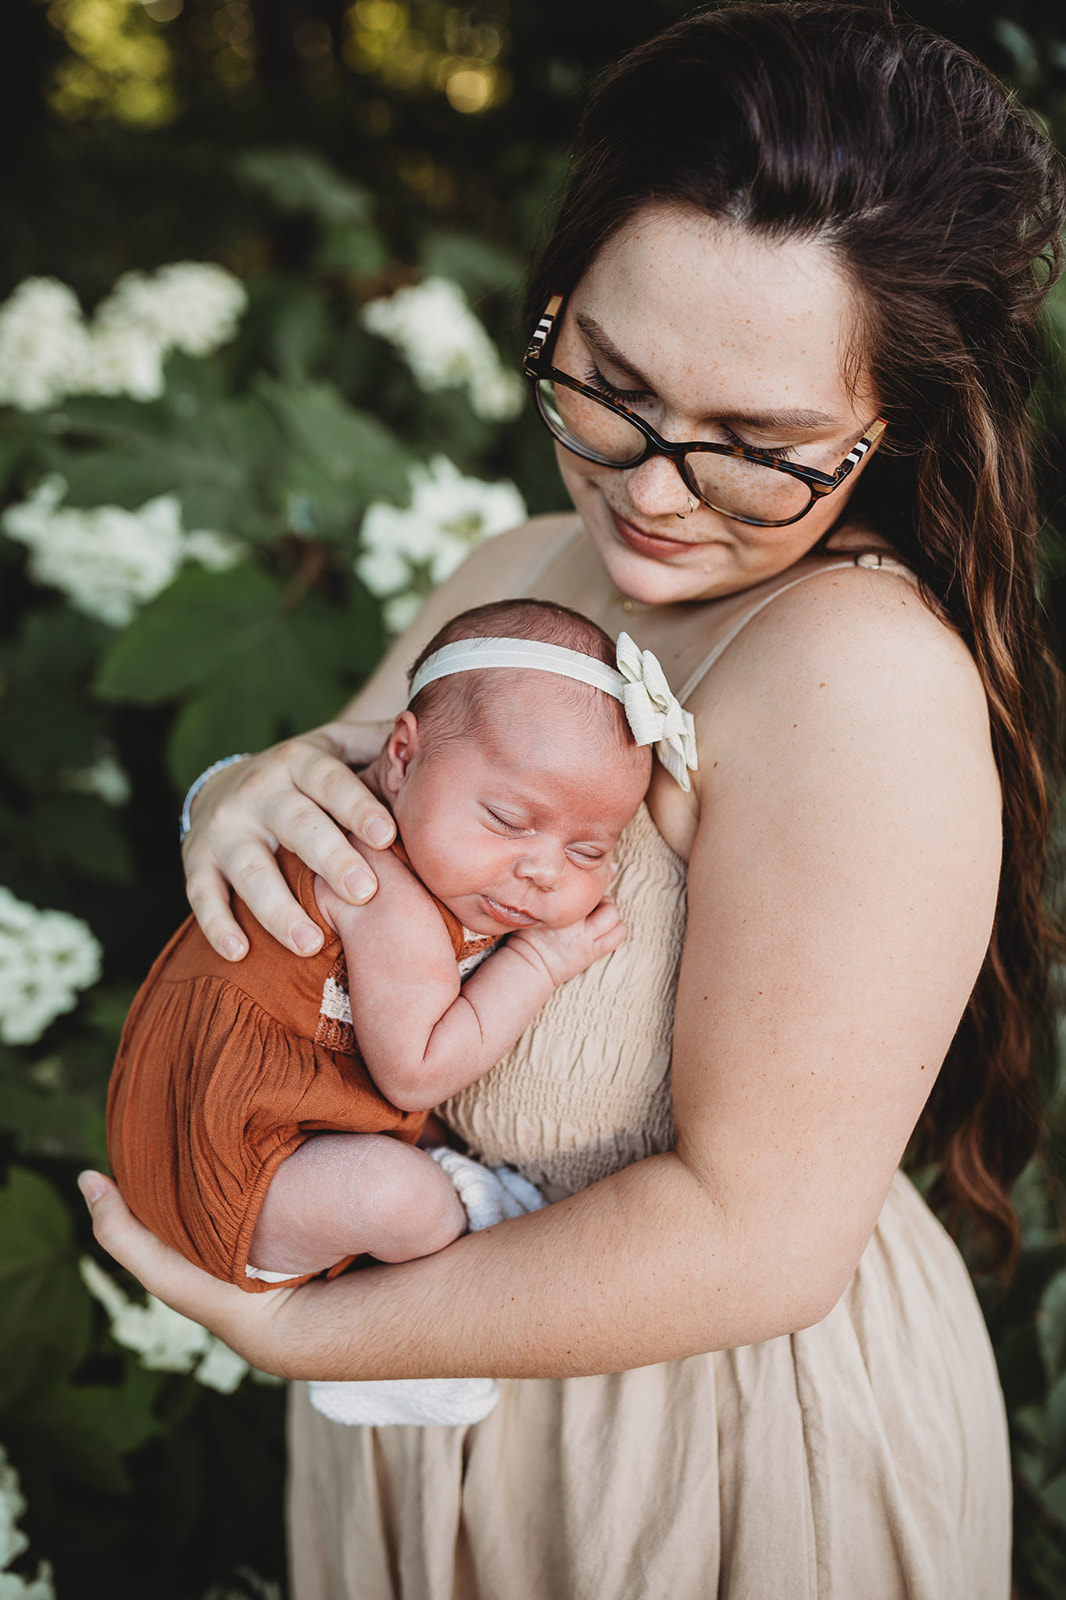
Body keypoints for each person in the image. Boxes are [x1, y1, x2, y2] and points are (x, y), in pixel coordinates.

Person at [78, 2, 1066, 1594]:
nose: (650, 492)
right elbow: (331, 834)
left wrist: (303, 1328)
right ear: (554, 308)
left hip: (696, 1453)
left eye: (758, 447)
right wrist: (234, 798)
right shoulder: (512, 573)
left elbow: (758, 1237)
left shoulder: (854, 680)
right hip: (423, 1403)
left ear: (892, 429)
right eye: (608, 385)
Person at [106, 597, 664, 1422]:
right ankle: (382, 1355)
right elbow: (416, 1069)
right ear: (399, 757)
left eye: (590, 850)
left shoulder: (424, 849)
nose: (545, 870)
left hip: (228, 1132)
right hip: (238, 1166)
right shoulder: (381, 892)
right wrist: (542, 961)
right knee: (401, 1197)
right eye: (509, 819)